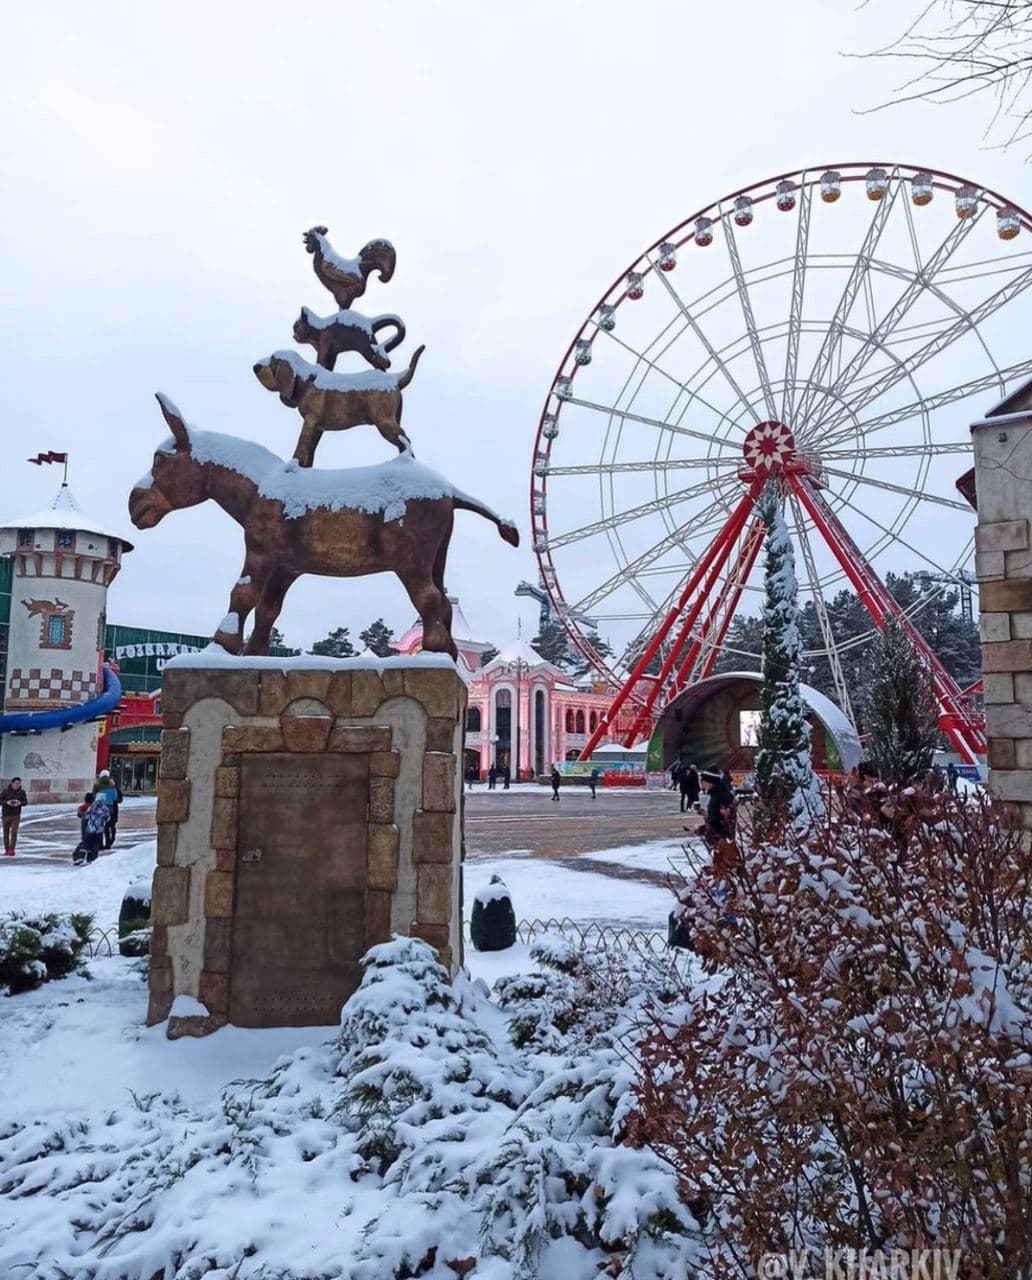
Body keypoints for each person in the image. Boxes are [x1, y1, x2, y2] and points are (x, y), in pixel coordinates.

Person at [694, 769, 736, 847]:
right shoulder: (719, 794)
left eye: (703, 782)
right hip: (724, 838)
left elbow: (717, 821)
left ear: (710, 783)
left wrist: (702, 829)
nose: (702, 785)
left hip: (721, 840)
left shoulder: (718, 797)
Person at [94, 769, 123, 849]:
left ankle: (100, 844)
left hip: (100, 807)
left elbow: (94, 796)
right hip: (111, 808)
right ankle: (108, 843)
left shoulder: (97, 785)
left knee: (100, 826)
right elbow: (116, 797)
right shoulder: (112, 785)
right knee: (108, 826)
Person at [80, 793, 111, 864]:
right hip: (99, 830)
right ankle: (92, 859)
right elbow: (107, 818)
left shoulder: (92, 807)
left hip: (90, 829)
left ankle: (82, 857)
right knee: (95, 845)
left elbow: (87, 816)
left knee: (87, 843)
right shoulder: (105, 808)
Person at [1, 777, 28, 856]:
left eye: (19, 783)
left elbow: (25, 802)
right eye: (16, 783)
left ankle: (12, 849)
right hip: (5, 815)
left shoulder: (22, 792)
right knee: (6, 833)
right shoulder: (5, 792)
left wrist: (20, 803)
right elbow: (0, 801)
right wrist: (7, 802)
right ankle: (7, 849)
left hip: (16, 815)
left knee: (14, 832)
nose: (18, 785)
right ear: (12, 783)